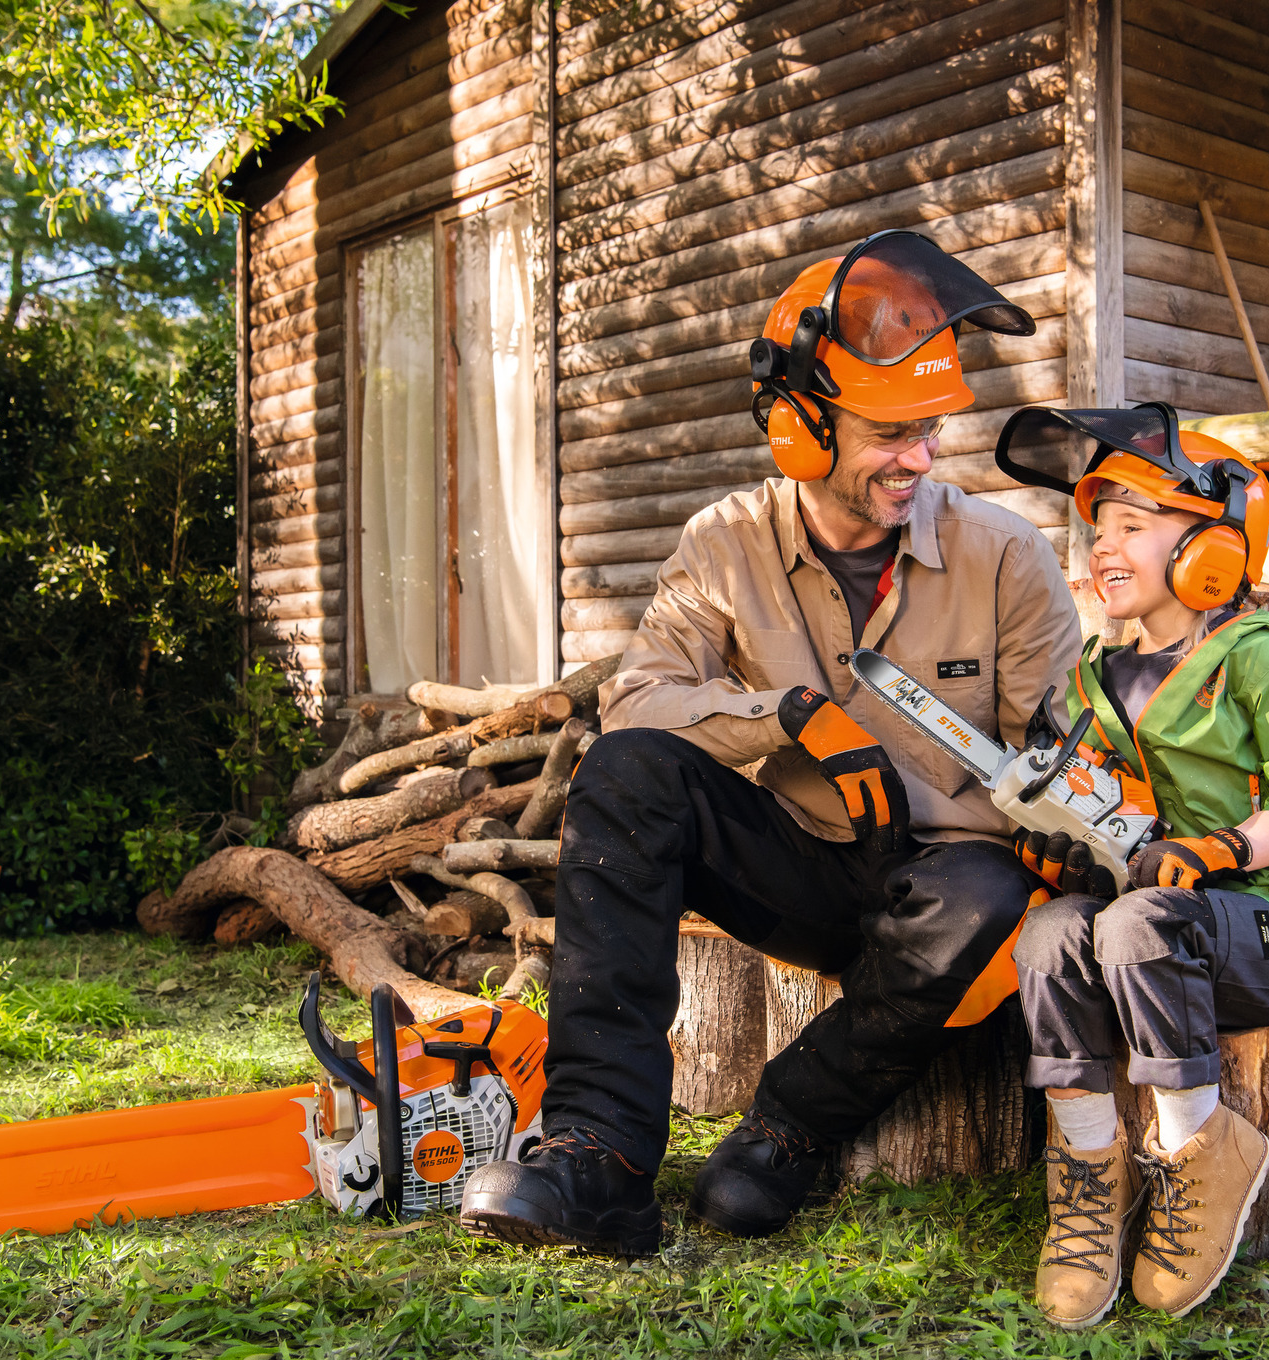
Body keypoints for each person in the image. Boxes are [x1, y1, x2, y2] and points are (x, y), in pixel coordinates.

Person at [459, 231, 1081, 1256]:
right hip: (796, 860)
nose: (918, 460)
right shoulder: (723, 545)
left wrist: (1069, 824)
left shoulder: (1006, 555)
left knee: (988, 894)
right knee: (626, 777)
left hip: (947, 893)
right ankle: (599, 1155)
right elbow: (638, 702)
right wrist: (783, 715)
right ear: (798, 426)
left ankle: (789, 1125)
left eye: (930, 431)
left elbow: (1062, 743)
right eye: (889, 433)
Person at [991, 404, 1269, 1327]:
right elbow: (1098, 813)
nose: (1102, 549)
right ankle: (1087, 1169)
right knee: (1047, 933)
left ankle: (1202, 1146)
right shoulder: (1088, 675)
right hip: (1144, 938)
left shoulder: (1264, 659)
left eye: (1132, 527)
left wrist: (1225, 847)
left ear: (1214, 550)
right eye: (1098, 528)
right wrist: (1060, 844)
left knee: (1138, 922)